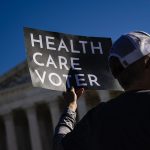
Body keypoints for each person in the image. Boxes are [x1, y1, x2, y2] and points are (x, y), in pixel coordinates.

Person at [53, 31, 150, 150]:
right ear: (148, 64)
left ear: (116, 75)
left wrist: (70, 108)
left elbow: (60, 146)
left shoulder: (97, 118)